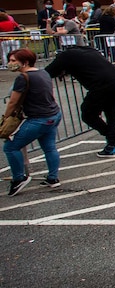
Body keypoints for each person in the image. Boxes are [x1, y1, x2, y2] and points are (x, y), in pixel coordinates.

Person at [45, 45, 115, 158]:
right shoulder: (89, 50)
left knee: (88, 114)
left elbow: (46, 73)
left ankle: (113, 137)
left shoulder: (64, 57)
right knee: (112, 112)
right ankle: (112, 144)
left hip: (101, 85)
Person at [3, 49, 62, 195]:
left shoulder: (23, 78)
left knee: (10, 147)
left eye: (13, 61)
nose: (10, 64)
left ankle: (18, 178)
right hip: (53, 114)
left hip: (39, 119)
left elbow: (13, 102)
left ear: (25, 62)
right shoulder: (43, 72)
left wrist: (5, 118)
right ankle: (53, 178)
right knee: (49, 147)